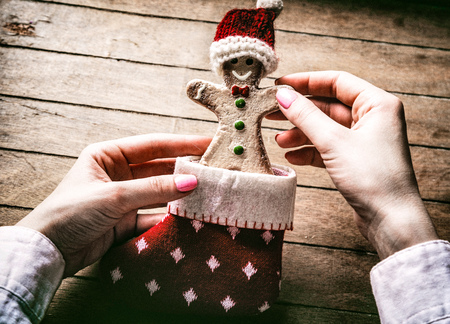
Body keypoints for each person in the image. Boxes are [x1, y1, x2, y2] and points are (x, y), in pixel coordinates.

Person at [0, 71, 448, 323]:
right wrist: (397, 221)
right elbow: (202, 91)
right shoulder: (231, 95)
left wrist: (42, 244)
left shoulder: (267, 97)